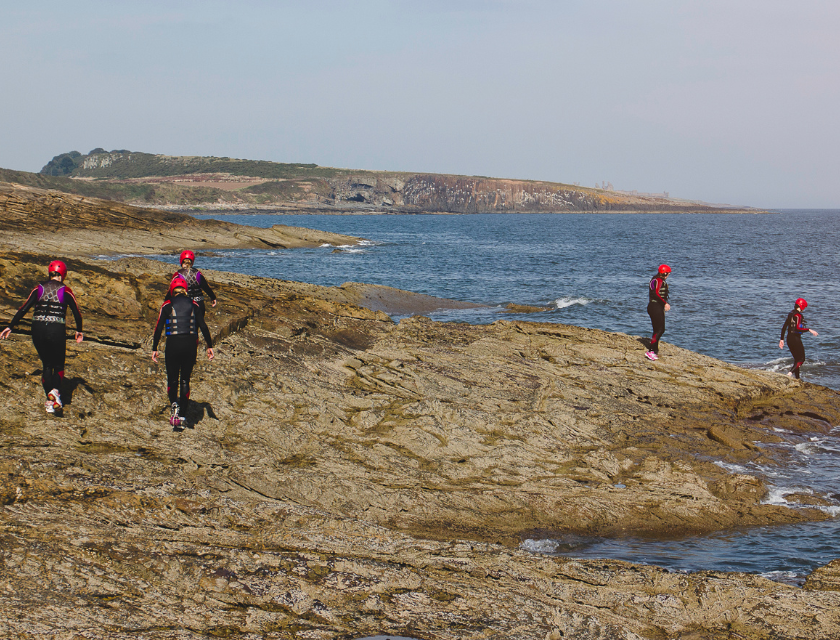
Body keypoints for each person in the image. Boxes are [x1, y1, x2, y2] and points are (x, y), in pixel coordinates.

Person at [0, 260, 83, 414]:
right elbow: (77, 313)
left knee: (46, 365)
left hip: (37, 329)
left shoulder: (38, 289)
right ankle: (55, 392)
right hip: (55, 328)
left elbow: (23, 308)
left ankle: (50, 401)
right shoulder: (66, 291)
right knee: (58, 365)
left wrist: (10, 326)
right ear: (63, 274)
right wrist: (79, 330)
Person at [152, 275, 214, 427]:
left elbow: (159, 327)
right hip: (190, 345)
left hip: (173, 345)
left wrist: (154, 348)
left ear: (172, 289)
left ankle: (174, 404)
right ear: (185, 289)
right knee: (185, 379)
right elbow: (203, 326)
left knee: (172, 379)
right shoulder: (194, 305)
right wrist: (209, 346)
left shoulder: (167, 305)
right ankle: (183, 416)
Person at [167, 250, 217, 323]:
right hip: (199, 304)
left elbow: (171, 291)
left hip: (185, 304)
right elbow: (206, 287)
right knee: (197, 327)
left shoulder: (177, 275)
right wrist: (213, 297)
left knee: (186, 327)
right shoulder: (198, 273)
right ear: (192, 261)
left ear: (181, 260)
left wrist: (167, 302)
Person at [779, 297, 818, 379]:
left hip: (789, 338)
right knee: (801, 359)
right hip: (795, 339)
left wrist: (781, 339)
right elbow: (798, 328)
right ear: (802, 306)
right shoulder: (798, 315)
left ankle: (797, 378)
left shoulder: (791, 313)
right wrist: (809, 330)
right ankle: (789, 374)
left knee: (797, 359)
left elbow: (784, 327)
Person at [645, 264, 671, 361]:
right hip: (655, 307)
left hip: (653, 307)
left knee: (657, 329)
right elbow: (656, 294)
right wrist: (665, 303)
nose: (668, 275)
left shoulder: (654, 279)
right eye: (668, 273)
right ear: (665, 273)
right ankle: (651, 351)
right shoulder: (659, 281)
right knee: (660, 329)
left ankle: (655, 349)